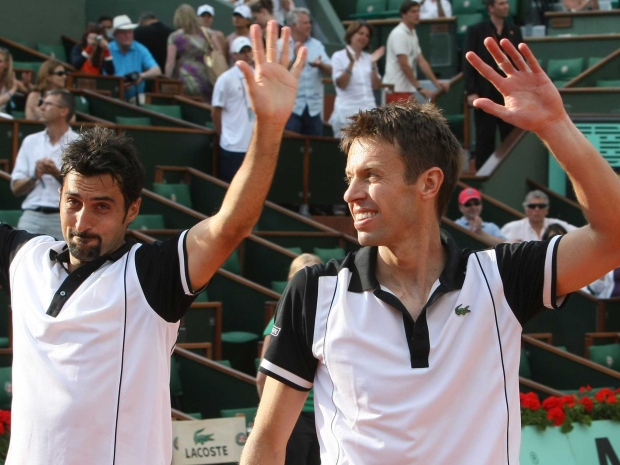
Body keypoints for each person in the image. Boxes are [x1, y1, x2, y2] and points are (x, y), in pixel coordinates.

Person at [240, 37, 620, 464]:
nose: (351, 193)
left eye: (370, 175)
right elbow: (268, 442)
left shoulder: (502, 278)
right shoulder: (313, 292)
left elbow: (613, 236)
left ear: (429, 183)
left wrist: (555, 126)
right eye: (350, 177)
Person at [0, 20, 305, 465]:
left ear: (132, 210)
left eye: (102, 206)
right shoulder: (23, 257)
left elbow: (231, 225)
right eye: (73, 202)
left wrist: (270, 125)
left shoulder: (151, 275)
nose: (82, 220)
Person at [256, 253, 322, 465]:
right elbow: (263, 377)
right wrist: (270, 416)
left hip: (326, 415)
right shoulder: (282, 320)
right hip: (294, 417)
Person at [10, 90, 78, 239]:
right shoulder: (30, 141)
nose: (41, 107)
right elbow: (15, 188)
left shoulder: (79, 143)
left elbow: (84, 187)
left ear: (63, 111)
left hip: (65, 216)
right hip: (32, 216)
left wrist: (56, 173)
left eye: (47, 104)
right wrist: (34, 175)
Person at [464, 0, 523, 170]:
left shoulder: (514, 31)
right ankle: (484, 174)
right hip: (485, 91)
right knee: (485, 138)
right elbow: (468, 64)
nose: (506, 6)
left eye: (506, 3)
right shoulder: (476, 31)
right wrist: (471, 91)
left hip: (509, 93)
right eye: (501, 4)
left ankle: (511, 171)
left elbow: (520, 61)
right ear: (490, 8)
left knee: (510, 136)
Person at [278, 7, 332, 136]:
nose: (309, 26)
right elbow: (279, 74)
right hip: (291, 108)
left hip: (313, 108)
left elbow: (331, 70)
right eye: (305, 23)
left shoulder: (317, 45)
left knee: (315, 150)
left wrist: (321, 65)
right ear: (294, 25)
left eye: (309, 22)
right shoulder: (281, 45)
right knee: (292, 149)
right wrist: (296, 59)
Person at [383, 1, 448, 100]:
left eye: (418, 11)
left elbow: (421, 61)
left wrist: (436, 83)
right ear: (403, 14)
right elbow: (404, 64)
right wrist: (420, 88)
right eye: (413, 12)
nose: (417, 14)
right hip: (396, 90)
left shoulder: (412, 33)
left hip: (406, 90)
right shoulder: (399, 34)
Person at [329, 21, 384, 138]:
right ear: (351, 34)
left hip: (369, 114)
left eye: (367, 35)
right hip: (347, 115)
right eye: (361, 33)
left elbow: (376, 85)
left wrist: (373, 64)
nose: (364, 37)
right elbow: (341, 84)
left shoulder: (369, 58)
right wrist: (351, 63)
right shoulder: (338, 56)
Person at [212, 36, 255, 182]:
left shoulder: (259, 77)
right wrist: (223, 136)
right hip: (232, 146)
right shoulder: (225, 79)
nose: (247, 55)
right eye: (242, 52)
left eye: (249, 51)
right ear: (233, 55)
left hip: (253, 146)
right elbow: (216, 112)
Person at [166, 4, 216, 102]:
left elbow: (170, 63)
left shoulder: (174, 37)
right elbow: (218, 52)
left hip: (186, 79)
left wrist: (167, 80)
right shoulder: (208, 33)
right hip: (206, 76)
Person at [108, 14, 162, 105]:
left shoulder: (140, 49)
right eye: (123, 32)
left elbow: (157, 70)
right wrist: (119, 84)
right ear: (115, 35)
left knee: (144, 102)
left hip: (136, 96)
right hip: (113, 95)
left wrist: (142, 76)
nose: (127, 35)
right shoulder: (108, 50)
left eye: (130, 32)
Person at [501, 190, 577, 242]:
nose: (537, 209)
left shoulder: (558, 225)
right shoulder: (512, 228)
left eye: (541, 206)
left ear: (547, 210)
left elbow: (578, 234)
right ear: (526, 210)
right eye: (532, 206)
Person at [0, 48, 31, 114]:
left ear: (6, 64)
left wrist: (28, 85)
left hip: (5, 120)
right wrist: (13, 90)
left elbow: (28, 93)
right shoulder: (13, 85)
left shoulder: (9, 80)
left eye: (0, 61)